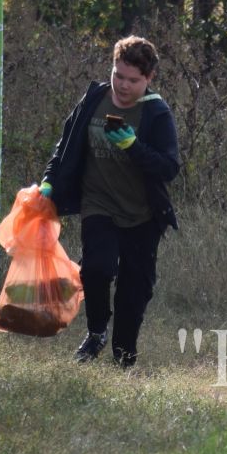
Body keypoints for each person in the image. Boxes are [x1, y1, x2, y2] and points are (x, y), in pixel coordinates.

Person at [37, 35, 181, 369]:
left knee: (134, 294)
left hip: (142, 215)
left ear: (149, 79)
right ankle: (97, 331)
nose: (124, 85)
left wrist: (134, 147)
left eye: (133, 80)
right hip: (97, 202)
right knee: (96, 269)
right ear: (112, 68)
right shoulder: (95, 98)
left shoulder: (157, 113)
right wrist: (49, 181)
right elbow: (66, 144)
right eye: (119, 75)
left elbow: (169, 167)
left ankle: (123, 357)